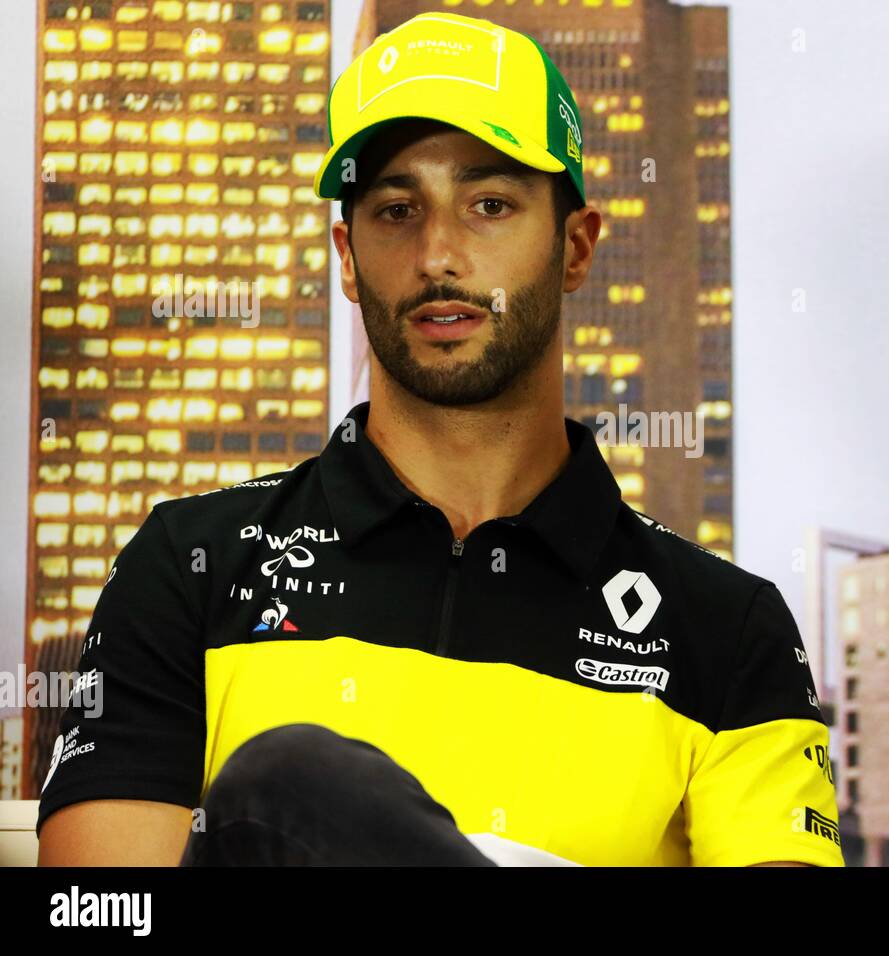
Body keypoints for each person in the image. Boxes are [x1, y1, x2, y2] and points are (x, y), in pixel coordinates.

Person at [36, 10, 843, 867]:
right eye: (396, 210)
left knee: (289, 786)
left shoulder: (727, 627)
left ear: (576, 247)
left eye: (489, 205)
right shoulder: (190, 566)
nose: (438, 255)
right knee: (287, 789)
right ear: (348, 258)